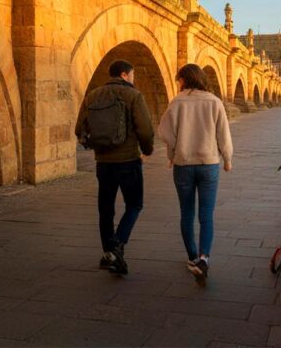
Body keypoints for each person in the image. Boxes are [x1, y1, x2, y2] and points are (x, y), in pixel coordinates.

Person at [75, 59, 155, 275]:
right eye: (132, 75)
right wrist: (147, 150)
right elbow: (145, 129)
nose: (133, 79)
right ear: (124, 75)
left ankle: (109, 253)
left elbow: (79, 128)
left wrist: (94, 146)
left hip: (103, 163)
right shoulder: (133, 95)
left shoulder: (92, 95)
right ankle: (117, 245)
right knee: (134, 204)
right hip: (128, 160)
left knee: (105, 209)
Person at [157, 63, 233, 282]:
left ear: (185, 79)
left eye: (179, 79)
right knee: (206, 214)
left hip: (183, 164)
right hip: (208, 164)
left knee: (187, 213)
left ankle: (191, 256)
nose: (178, 83)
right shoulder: (214, 102)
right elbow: (223, 135)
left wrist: (171, 155)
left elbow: (166, 134)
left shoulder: (177, 102)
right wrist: (227, 159)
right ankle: (204, 257)